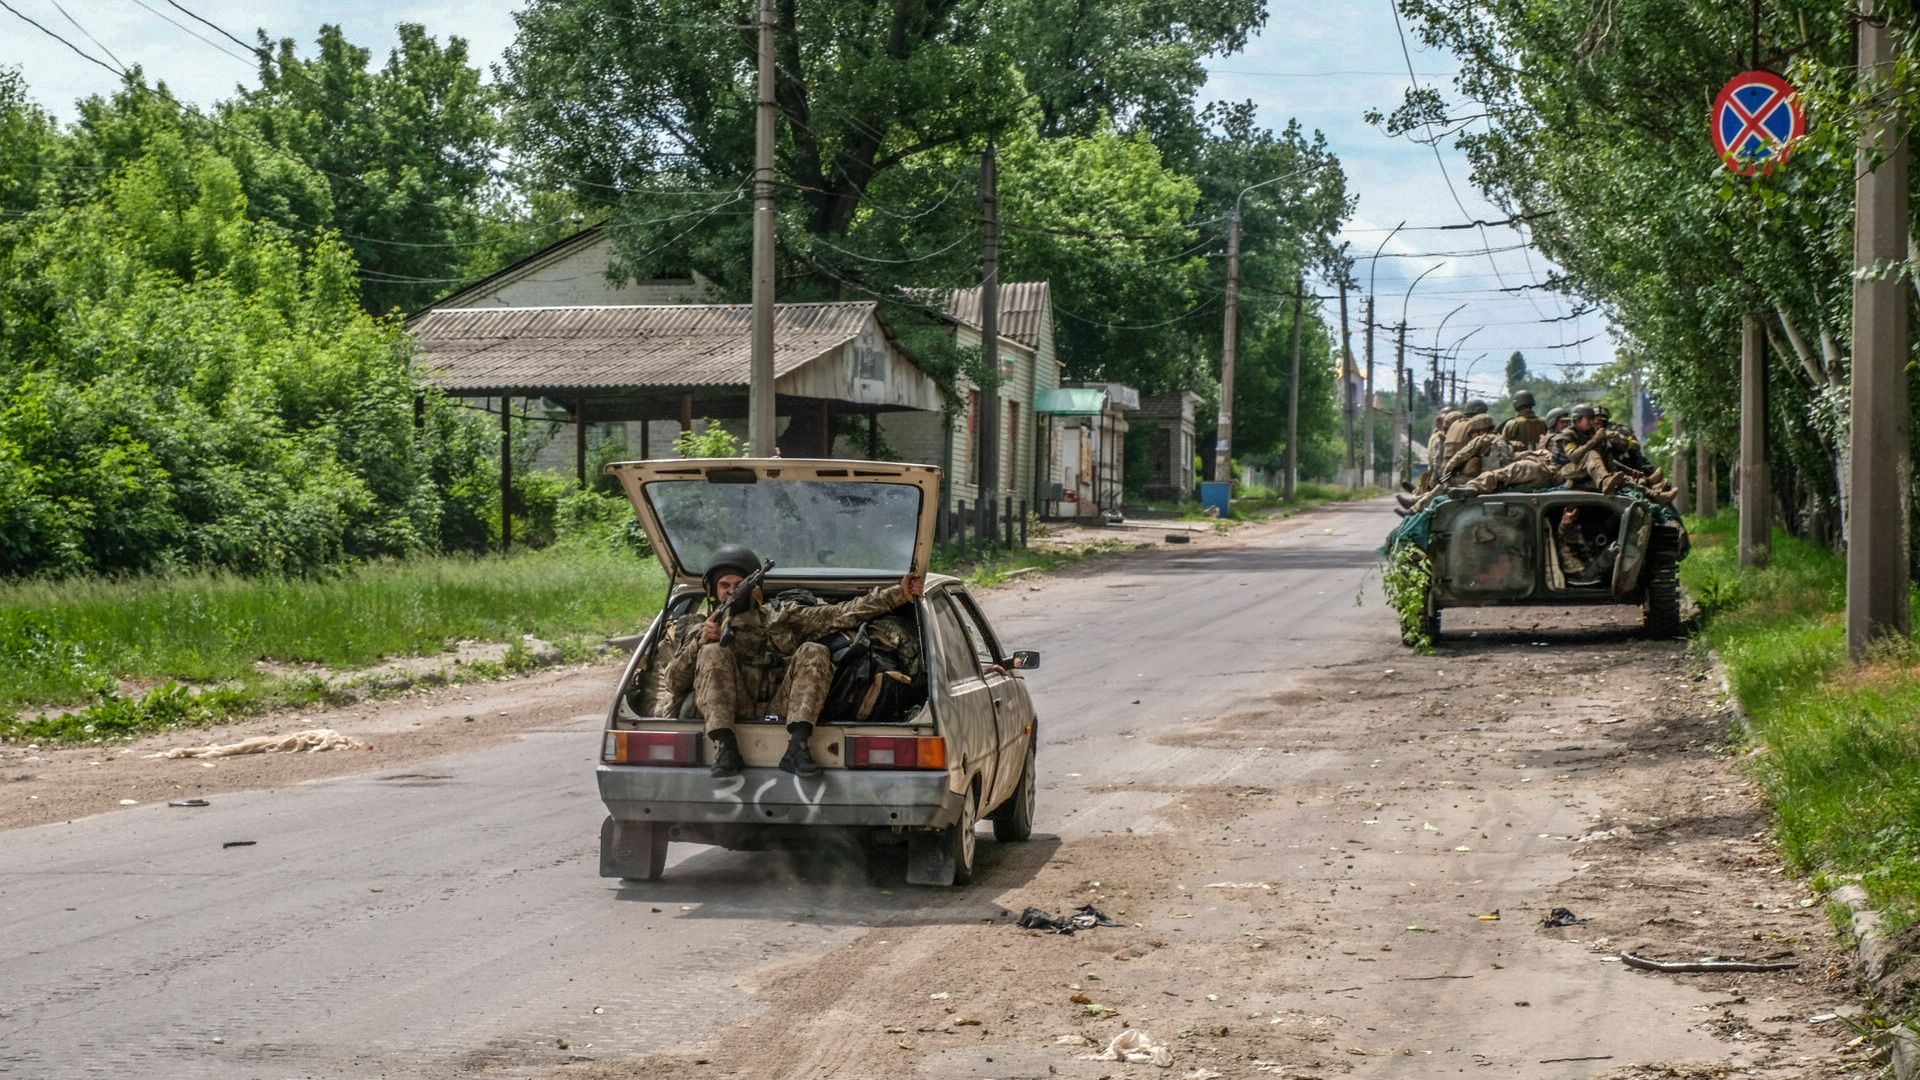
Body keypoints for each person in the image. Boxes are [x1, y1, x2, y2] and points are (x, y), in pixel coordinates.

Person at [661, 544, 926, 778]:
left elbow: (841, 614)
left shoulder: (781, 616)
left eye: (739, 584)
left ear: (754, 587)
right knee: (712, 652)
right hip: (734, 708)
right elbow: (673, 682)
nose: (732, 592)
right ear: (713, 589)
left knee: (814, 650)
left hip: (782, 706)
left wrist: (898, 594)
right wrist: (700, 643)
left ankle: (798, 747)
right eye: (724, 586)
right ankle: (726, 747)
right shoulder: (703, 628)